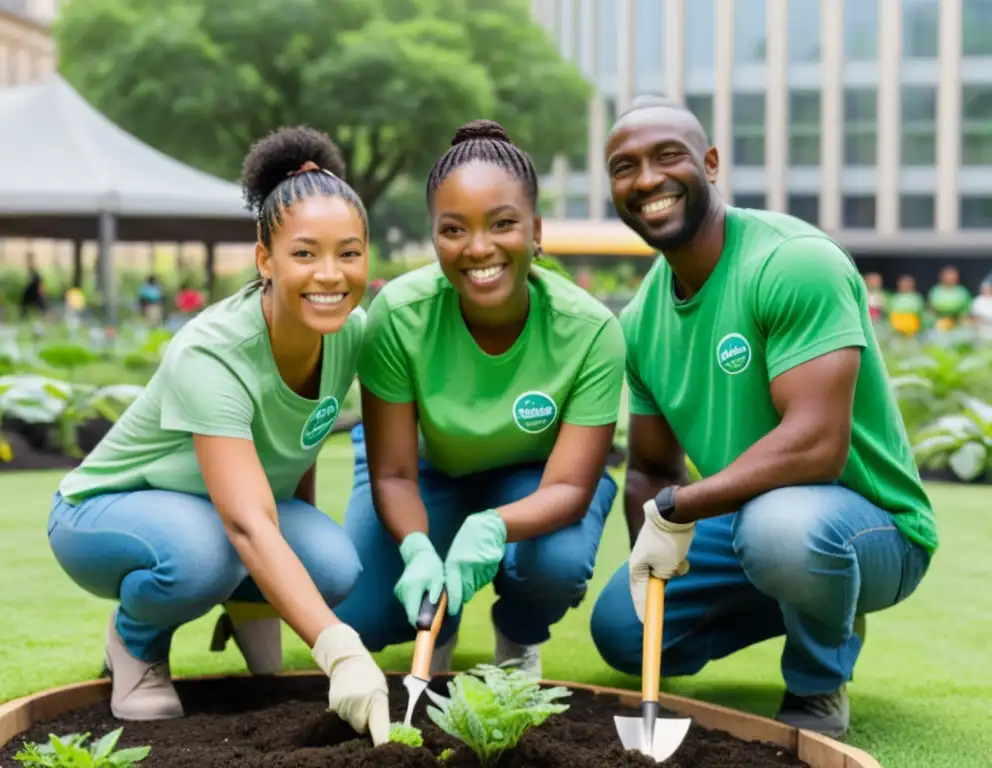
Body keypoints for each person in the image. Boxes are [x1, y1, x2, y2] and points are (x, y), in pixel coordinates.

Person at [588, 96, 938, 740]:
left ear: (711, 163)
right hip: (750, 526)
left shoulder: (792, 261)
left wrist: (683, 505)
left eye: (667, 156)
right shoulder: (640, 321)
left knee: (783, 531)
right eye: (624, 167)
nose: (645, 180)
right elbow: (651, 470)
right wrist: (650, 561)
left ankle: (816, 681)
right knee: (621, 628)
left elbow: (816, 447)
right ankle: (811, 599)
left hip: (871, 526)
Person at [46, 126, 391, 744]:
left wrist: (282, 581)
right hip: (103, 513)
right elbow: (247, 524)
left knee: (333, 565)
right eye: (305, 253)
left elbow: (298, 443)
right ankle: (134, 642)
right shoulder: (212, 352)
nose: (331, 274)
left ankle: (246, 602)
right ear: (265, 259)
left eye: (350, 252)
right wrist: (339, 650)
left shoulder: (350, 331)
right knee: (203, 554)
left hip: (225, 512)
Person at [335, 119, 625, 677]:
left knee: (556, 563)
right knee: (365, 612)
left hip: (533, 478)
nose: (479, 248)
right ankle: (436, 623)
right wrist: (419, 546)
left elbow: (569, 485)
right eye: (454, 229)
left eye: (503, 224)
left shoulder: (589, 330)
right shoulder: (398, 316)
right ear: (434, 237)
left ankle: (517, 635)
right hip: (427, 472)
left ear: (536, 230)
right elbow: (393, 473)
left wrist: (493, 525)